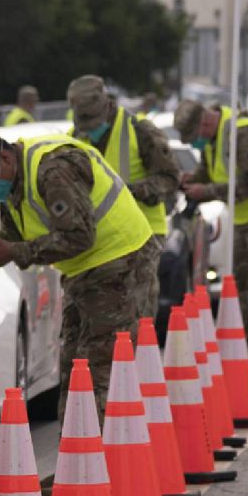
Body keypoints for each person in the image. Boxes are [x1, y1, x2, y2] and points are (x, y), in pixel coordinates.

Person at [0, 124, 158, 417]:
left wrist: (13, 251)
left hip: (120, 260)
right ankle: (78, 452)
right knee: (75, 366)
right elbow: (25, 235)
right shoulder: (14, 183)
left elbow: (78, 236)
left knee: (100, 368)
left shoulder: (52, 169)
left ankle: (100, 455)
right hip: (84, 270)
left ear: (6, 159)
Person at [175, 100, 248, 365]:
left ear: (205, 123)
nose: (196, 144)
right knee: (240, 285)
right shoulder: (216, 138)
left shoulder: (242, 134)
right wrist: (191, 179)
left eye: (195, 137)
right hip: (245, 218)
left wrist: (206, 192)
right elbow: (209, 171)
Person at [68, 75, 176, 317]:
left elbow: (169, 179)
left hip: (142, 235)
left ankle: (141, 355)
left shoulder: (140, 131)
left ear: (108, 105)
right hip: (96, 242)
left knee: (139, 312)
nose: (90, 128)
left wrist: (130, 191)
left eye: (94, 120)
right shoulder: (74, 138)